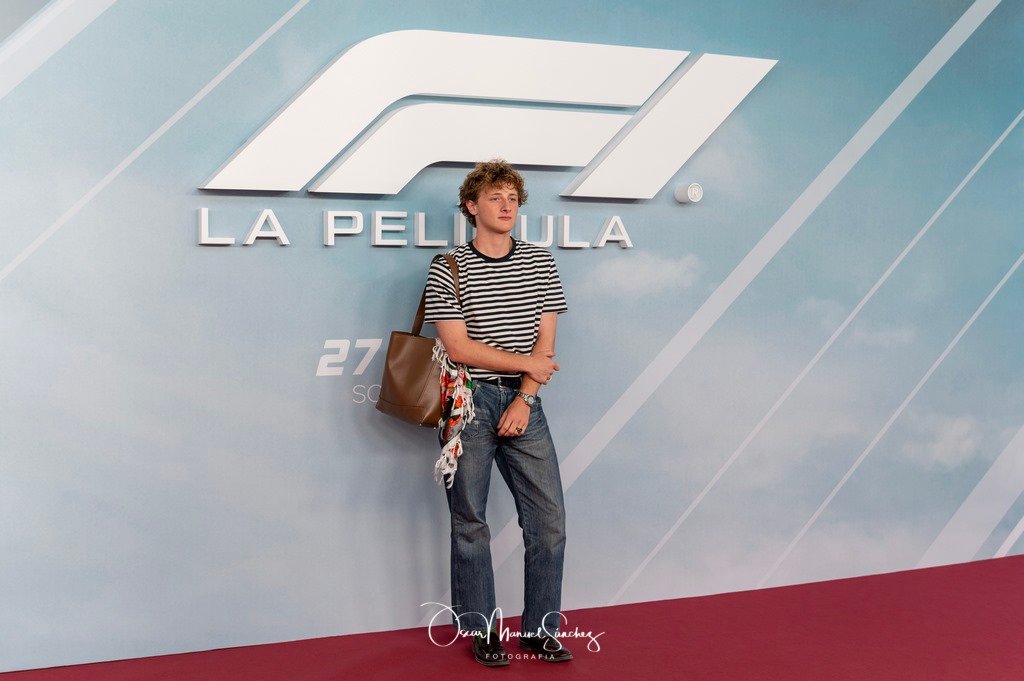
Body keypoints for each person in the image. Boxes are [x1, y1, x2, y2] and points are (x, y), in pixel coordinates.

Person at [423, 159, 571, 667]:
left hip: (524, 402)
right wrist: (527, 366)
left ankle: (540, 630)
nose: (507, 206)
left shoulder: (540, 262)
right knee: (470, 521)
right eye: (495, 197)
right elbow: (459, 347)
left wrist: (525, 397)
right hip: (468, 402)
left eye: (513, 198)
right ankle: (483, 630)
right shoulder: (448, 267)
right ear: (471, 206)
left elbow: (545, 343)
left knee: (548, 522)